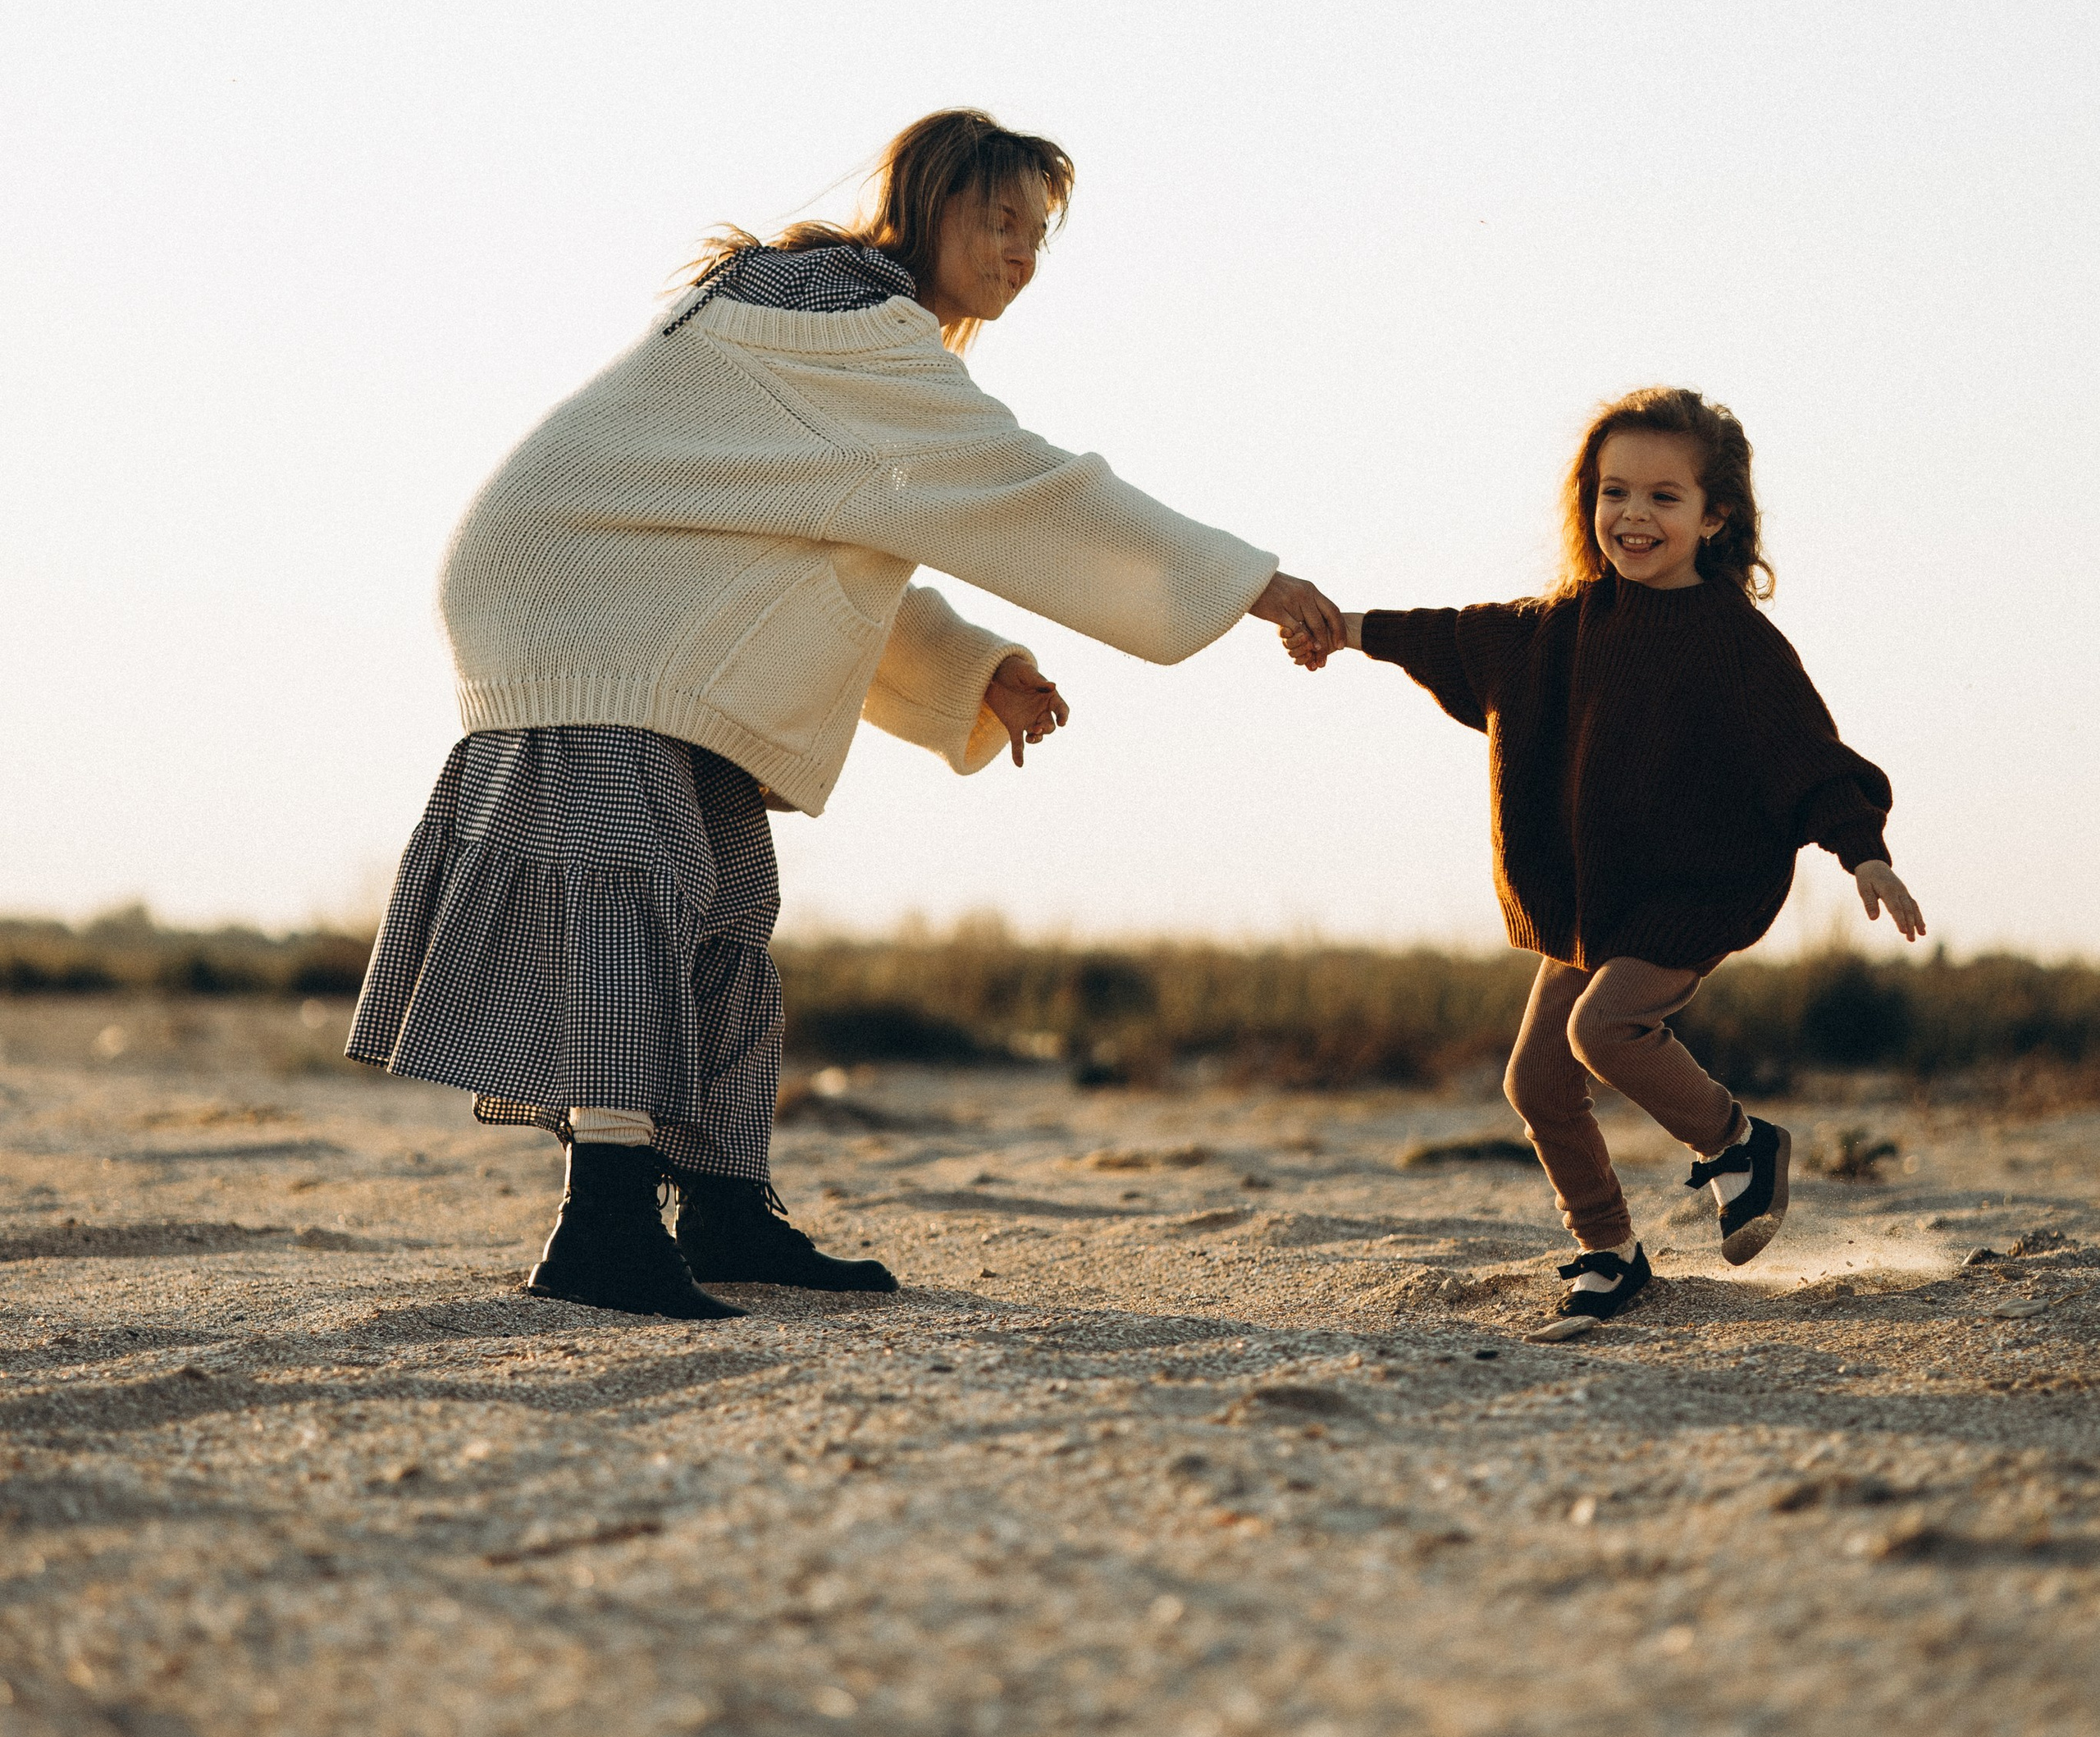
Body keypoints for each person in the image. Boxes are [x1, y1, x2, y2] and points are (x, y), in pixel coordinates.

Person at [350, 109, 1341, 1320]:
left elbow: (831, 543)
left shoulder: (850, 333)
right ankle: (601, 1222)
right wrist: (1252, 583)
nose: (1022, 251)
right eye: (998, 220)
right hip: (584, 597)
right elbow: (1028, 488)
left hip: (634, 598)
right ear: (926, 204)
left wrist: (971, 670)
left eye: (1040, 233)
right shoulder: (845, 323)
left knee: (730, 896)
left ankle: (719, 1202)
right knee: (636, 882)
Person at [1282, 387, 1924, 1341]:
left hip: (1691, 892)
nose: (1633, 516)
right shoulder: (1561, 626)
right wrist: (1347, 628)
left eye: (1664, 498)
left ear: (1714, 517)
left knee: (1604, 1028)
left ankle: (1740, 1145)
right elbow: (1458, 634)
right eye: (1614, 492)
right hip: (1597, 898)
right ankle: (1611, 1257)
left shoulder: (1733, 643)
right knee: (1534, 1084)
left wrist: (1863, 852)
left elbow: (1807, 756)